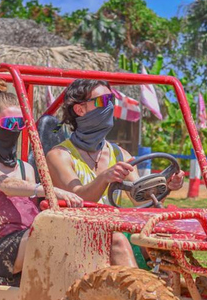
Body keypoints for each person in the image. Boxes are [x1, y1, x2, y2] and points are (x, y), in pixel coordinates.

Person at [46, 79, 185, 267]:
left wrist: (165, 187)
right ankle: (139, 292)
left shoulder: (120, 154)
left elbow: (141, 200)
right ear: (80, 110)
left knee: (160, 237)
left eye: (111, 100)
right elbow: (76, 201)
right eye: (103, 101)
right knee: (116, 240)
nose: (110, 106)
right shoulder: (60, 156)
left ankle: (177, 289)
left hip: (113, 228)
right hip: (75, 232)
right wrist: (104, 178)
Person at [0, 79, 82, 283]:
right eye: (10, 124)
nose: (15, 129)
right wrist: (48, 189)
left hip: (22, 239)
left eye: (21, 124)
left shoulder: (25, 168)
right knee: (42, 237)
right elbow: (5, 185)